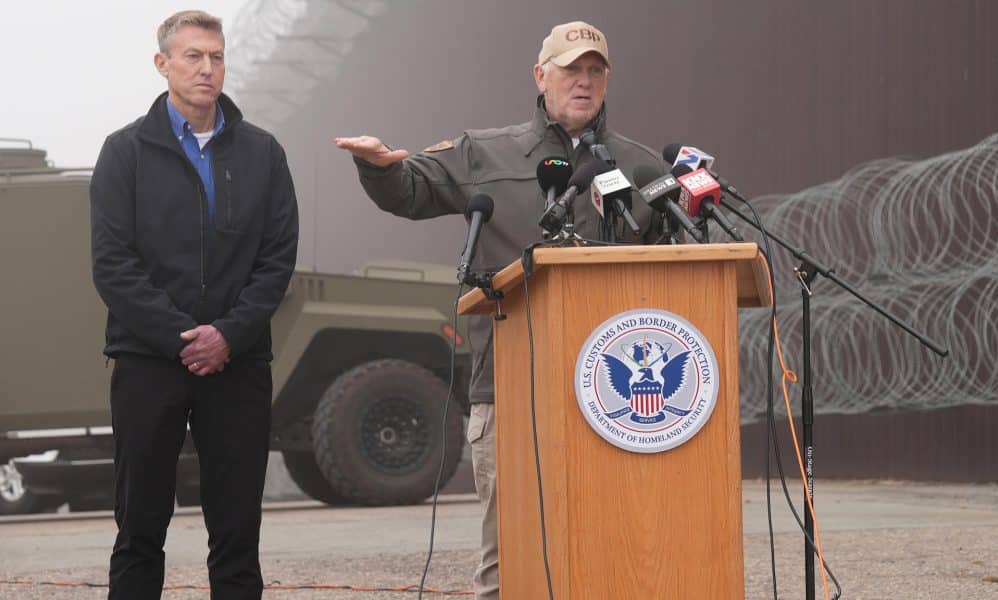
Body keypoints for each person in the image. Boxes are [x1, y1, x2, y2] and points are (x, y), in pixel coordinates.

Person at [336, 21, 666, 599]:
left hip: (617, 394)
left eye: (594, 71)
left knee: (613, 543)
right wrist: (380, 168)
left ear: (607, 81)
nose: (582, 83)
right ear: (541, 77)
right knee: (510, 558)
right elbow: (410, 191)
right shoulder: (483, 153)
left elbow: (680, 262)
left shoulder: (639, 168)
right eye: (570, 71)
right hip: (511, 384)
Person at [90, 10, 298, 599]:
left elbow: (277, 260)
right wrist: (185, 337)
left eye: (217, 57)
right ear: (162, 65)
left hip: (239, 364)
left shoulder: (263, 153)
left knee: (236, 535)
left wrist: (228, 335)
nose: (208, 69)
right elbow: (113, 265)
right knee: (138, 530)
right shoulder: (124, 153)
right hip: (148, 363)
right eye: (193, 57)